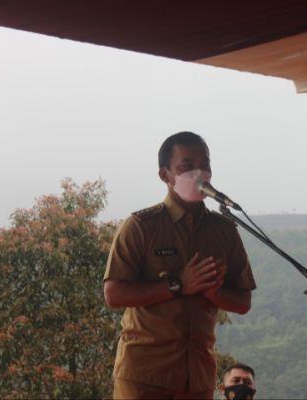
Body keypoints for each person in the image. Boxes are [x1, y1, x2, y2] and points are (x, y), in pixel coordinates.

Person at [104, 131, 256, 399]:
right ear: (165, 175)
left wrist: (214, 293)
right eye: (187, 165)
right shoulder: (140, 226)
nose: (199, 172)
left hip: (198, 378)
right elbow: (113, 295)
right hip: (144, 377)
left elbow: (243, 302)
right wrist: (178, 284)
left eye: (205, 164)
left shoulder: (224, 230)